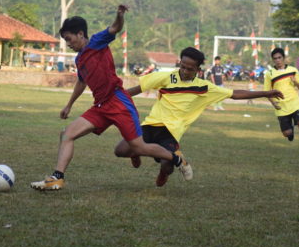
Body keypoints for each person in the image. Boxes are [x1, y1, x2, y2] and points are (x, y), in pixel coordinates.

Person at [31, 5, 191, 191]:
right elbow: (81, 83)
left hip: (118, 102)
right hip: (100, 106)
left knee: (138, 147)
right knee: (67, 134)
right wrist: (69, 105)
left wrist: (120, 15)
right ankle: (57, 178)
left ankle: (177, 158)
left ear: (81, 34)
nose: (68, 43)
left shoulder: (96, 42)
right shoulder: (79, 59)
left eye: (69, 39)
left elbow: (115, 28)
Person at [114, 47, 284, 186]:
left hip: (172, 132)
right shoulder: (165, 77)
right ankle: (137, 151)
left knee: (168, 167)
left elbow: (235, 94)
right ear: (179, 63)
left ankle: (160, 168)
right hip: (151, 124)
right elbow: (135, 90)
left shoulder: (203, 87)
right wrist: (114, 99)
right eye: (183, 66)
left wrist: (266, 93)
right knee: (120, 151)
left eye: (190, 69)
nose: (185, 71)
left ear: (198, 69)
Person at [264, 48, 299, 155]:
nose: (277, 60)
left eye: (279, 57)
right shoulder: (269, 73)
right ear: (273, 60)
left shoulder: (293, 70)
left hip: (294, 103)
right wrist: (273, 102)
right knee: (286, 133)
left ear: (283, 58)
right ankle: (290, 132)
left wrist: (296, 82)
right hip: (281, 106)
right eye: (275, 58)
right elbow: (267, 91)